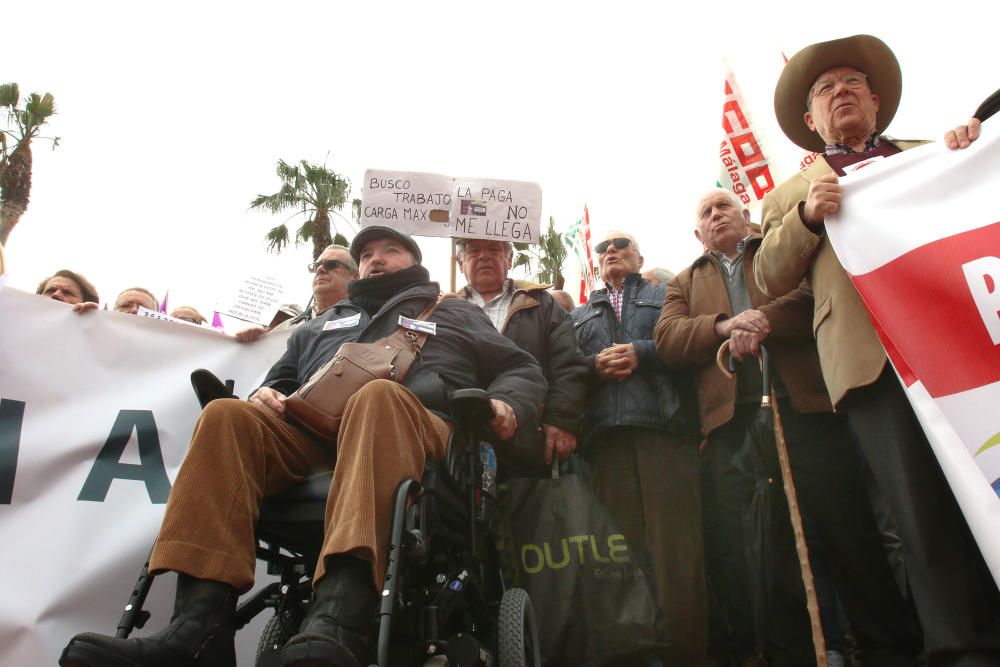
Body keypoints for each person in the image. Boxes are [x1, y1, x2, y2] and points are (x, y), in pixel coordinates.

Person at [60, 226, 547, 667]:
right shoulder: (321, 322)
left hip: (419, 433)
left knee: (378, 398)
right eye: (367, 253)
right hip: (315, 441)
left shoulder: (454, 312)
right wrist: (265, 394)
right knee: (225, 416)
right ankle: (197, 629)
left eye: (389, 251)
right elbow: (282, 383)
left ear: (414, 260)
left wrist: (505, 404)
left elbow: (522, 369)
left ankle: (341, 619)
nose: (375, 259)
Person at [754, 34, 1000, 666]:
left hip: (955, 348)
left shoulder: (933, 155)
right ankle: (963, 649)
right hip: (873, 367)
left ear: (877, 101)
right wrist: (808, 220)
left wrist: (973, 153)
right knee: (919, 514)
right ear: (810, 121)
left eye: (852, 83)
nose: (841, 92)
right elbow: (768, 278)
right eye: (825, 89)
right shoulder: (788, 196)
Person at [657, 188, 918, 667]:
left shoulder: (779, 249)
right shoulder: (683, 282)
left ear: (746, 215)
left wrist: (762, 321)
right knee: (765, 551)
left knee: (847, 532)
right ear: (697, 234)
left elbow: (811, 295)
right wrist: (723, 327)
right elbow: (669, 337)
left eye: (724, 206)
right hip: (732, 428)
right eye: (706, 212)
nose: (716, 215)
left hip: (807, 410)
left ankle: (890, 650)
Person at [571, 230, 705, 666]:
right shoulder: (577, 315)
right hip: (605, 443)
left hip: (662, 433)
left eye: (621, 244)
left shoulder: (668, 293)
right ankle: (635, 654)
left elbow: (690, 343)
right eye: (603, 248)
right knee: (618, 557)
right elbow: (565, 369)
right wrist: (593, 365)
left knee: (677, 553)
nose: (611, 250)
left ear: (639, 256)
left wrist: (642, 353)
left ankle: (688, 654)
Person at [456, 238, 587, 466]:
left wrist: (561, 420)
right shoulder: (442, 308)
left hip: (530, 440)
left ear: (509, 258)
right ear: (460, 263)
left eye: (494, 249)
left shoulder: (541, 304)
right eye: (474, 251)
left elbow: (567, 363)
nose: (484, 256)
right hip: (459, 445)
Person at [234, 244, 358, 342]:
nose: (320, 269)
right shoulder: (286, 328)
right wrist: (257, 341)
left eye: (331, 264)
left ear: (356, 277)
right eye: (316, 266)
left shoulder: (367, 323)